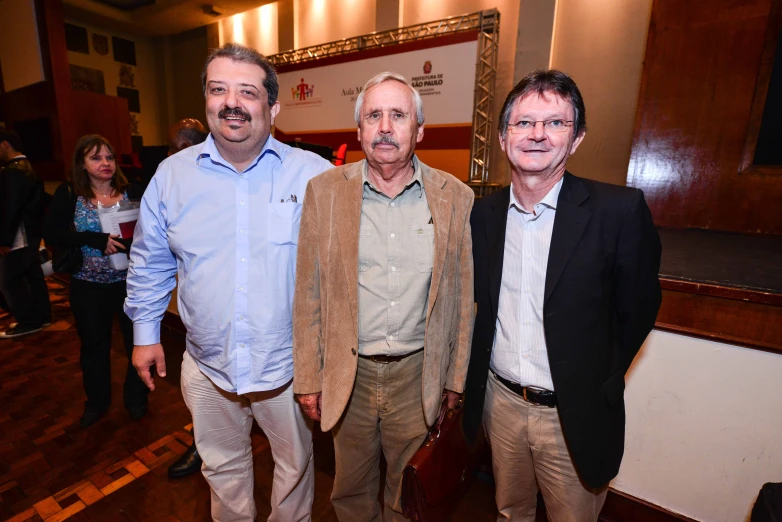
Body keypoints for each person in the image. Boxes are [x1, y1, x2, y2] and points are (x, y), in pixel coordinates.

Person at [125, 43, 332, 521]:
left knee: (296, 467)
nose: (231, 102)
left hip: (288, 369)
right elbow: (150, 260)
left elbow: (341, 272)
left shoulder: (315, 176)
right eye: (218, 90)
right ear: (206, 100)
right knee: (222, 469)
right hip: (206, 364)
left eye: (247, 92)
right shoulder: (171, 177)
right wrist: (145, 335)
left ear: (273, 107)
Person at [462, 69, 662, 521]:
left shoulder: (619, 212)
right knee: (509, 511)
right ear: (502, 137)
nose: (537, 135)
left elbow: (638, 311)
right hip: (502, 404)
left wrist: (600, 381)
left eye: (555, 123)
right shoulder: (483, 215)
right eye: (523, 122)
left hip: (572, 414)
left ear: (576, 139)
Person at [293, 71, 475, 522]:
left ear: (419, 129)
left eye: (398, 115)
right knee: (350, 490)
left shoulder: (455, 197)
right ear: (359, 131)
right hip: (347, 374)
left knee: (407, 492)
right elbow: (308, 291)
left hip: (418, 376)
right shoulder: (324, 193)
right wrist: (308, 377)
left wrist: (456, 380)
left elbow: (463, 299)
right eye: (373, 116)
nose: (385, 127)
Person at [43, 134, 149, 428]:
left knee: (137, 344)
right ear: (82, 163)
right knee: (94, 347)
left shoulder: (133, 191)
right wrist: (94, 239)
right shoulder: (69, 194)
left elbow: (149, 232)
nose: (105, 163)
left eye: (109, 157)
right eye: (96, 158)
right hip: (88, 285)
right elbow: (52, 234)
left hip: (131, 285)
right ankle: (97, 403)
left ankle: (137, 398)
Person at [164, 117, 208, 480]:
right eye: (174, 149)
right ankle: (200, 443)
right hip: (195, 320)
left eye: (186, 147)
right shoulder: (168, 183)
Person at [0, 129, 51, 339]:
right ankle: (42, 316)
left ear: (5, 144)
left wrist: (3, 238)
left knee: (10, 281)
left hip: (17, 235)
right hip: (30, 233)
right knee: (34, 276)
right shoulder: (29, 167)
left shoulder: (13, 172)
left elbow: (9, 207)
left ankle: (28, 322)